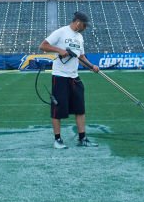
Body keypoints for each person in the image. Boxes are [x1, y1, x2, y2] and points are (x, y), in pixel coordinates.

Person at [39, 11, 100, 149]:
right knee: (57, 109)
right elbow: (43, 45)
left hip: (74, 77)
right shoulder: (61, 32)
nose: (85, 28)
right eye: (84, 25)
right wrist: (60, 51)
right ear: (78, 23)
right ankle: (58, 140)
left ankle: (82, 138)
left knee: (80, 109)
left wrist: (92, 66)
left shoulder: (79, 37)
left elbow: (81, 57)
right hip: (60, 77)